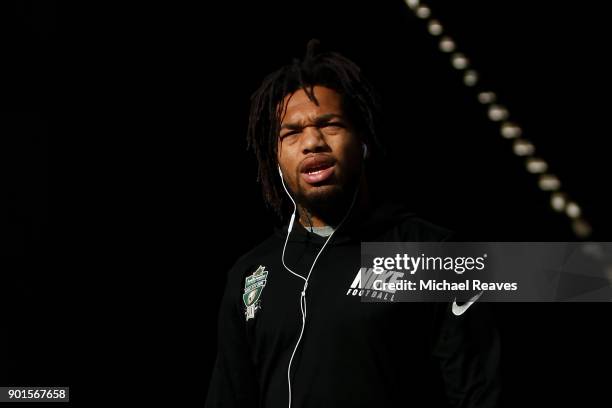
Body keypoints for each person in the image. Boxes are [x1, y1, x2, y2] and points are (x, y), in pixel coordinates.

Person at [206, 39, 501, 408]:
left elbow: (479, 395)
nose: (312, 141)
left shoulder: (431, 255)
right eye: (291, 133)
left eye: (330, 124)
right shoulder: (250, 274)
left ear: (362, 140)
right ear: (275, 158)